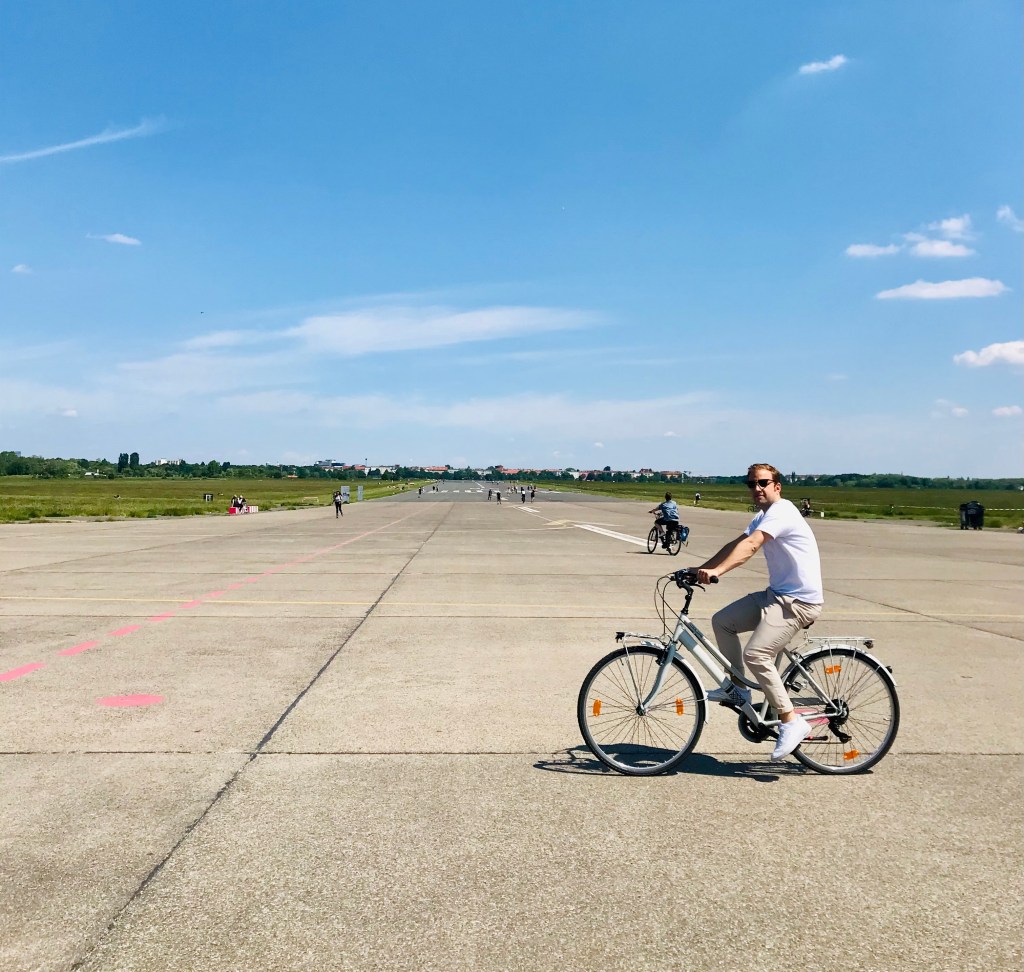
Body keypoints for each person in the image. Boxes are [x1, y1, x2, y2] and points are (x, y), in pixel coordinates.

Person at [696, 463, 824, 761]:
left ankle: (791, 722)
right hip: (776, 596)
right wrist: (701, 568)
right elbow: (738, 542)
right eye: (751, 483)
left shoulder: (783, 511)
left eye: (763, 483)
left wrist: (719, 572)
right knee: (723, 621)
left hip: (798, 602)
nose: (756, 488)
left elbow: (753, 545)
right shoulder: (762, 516)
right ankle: (738, 690)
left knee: (756, 655)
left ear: (777, 486)